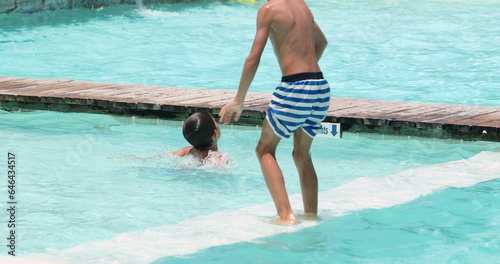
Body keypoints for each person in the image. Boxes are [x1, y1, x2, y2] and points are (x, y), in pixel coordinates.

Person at [219, 0, 330, 224]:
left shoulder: (268, 10)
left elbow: (253, 58)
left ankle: (285, 215)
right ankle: (311, 214)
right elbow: (323, 42)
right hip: (320, 86)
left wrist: (238, 99)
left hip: (294, 86)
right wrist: (305, 69)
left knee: (264, 149)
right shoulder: (302, 6)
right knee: (302, 154)